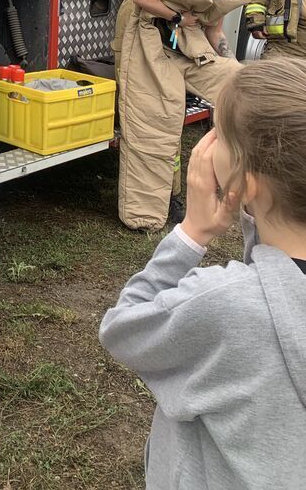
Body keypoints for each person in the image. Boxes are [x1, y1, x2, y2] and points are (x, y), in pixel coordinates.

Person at [99, 58, 306, 489]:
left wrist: (192, 233)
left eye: (220, 135)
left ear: (246, 183)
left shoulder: (226, 305)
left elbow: (122, 329)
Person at [113, 0, 267, 231]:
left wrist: (229, 65)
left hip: (182, 37)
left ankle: (182, 194)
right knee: (156, 118)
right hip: (144, 33)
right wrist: (178, 18)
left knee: (237, 83)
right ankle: (146, 213)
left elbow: (214, 31)